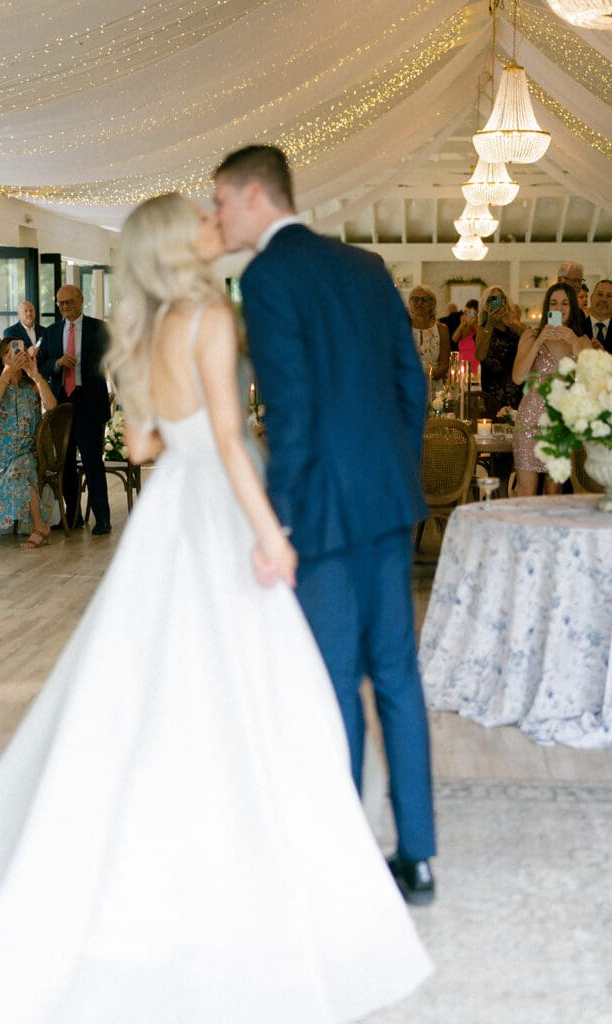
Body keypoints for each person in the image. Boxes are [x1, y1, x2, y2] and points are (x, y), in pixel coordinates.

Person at [0, 192, 433, 1024]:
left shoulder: (146, 330)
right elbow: (229, 440)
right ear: (176, 245)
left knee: (155, 678)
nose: (209, 223)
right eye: (196, 219)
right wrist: (274, 533)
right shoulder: (211, 318)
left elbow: (147, 444)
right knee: (256, 675)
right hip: (222, 506)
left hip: (166, 517)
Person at [214, 144, 436, 903]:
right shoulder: (368, 267)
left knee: (334, 681)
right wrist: (393, 476)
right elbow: (414, 387)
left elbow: (293, 413)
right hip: (386, 501)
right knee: (399, 680)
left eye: (220, 200)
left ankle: (345, 858)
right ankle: (420, 856)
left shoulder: (268, 277)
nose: (217, 216)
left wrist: (283, 524)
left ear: (253, 195)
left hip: (324, 512)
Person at [37, 285, 112, 534]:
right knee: (65, 463)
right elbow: (41, 366)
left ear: (81, 300)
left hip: (89, 402)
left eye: (69, 302)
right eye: (60, 304)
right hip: (62, 406)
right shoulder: (51, 332)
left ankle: (102, 517)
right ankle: (73, 516)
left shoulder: (98, 328)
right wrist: (57, 363)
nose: (65, 307)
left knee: (92, 463)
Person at [0, 338, 57, 549]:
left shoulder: (32, 384)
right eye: (8, 352)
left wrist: (36, 375)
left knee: (18, 474)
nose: (14, 355)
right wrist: (7, 373)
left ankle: (40, 526)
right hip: (0, 451)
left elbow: (52, 405)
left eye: (16, 351)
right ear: (1, 358)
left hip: (27, 450)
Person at [512, 283, 591, 496]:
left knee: (553, 490)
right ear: (547, 307)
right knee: (526, 490)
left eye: (565, 303)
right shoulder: (531, 336)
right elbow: (518, 378)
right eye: (554, 303)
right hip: (530, 420)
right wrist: (539, 342)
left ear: (573, 307)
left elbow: (590, 383)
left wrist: (574, 343)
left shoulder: (583, 341)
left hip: (561, 423)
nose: (559, 308)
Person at [475, 285, 524, 412]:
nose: (498, 302)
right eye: (493, 299)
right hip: (492, 387)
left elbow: (529, 341)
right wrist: (490, 324)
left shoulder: (515, 327)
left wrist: (510, 323)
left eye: (501, 299)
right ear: (487, 304)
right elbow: (480, 356)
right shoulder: (482, 328)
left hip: (516, 386)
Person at [407, 283, 450, 384]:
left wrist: (426, 377)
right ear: (411, 303)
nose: (419, 303)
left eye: (424, 299)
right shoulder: (403, 328)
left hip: (434, 387)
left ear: (432, 304)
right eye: (415, 299)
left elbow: (444, 365)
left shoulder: (441, 329)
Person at [452, 298, 479, 372]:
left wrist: (474, 324)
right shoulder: (464, 328)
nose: (469, 315)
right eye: (467, 313)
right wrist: (462, 324)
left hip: (476, 364)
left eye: (471, 313)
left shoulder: (480, 328)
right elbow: (454, 339)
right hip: (463, 365)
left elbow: (481, 339)